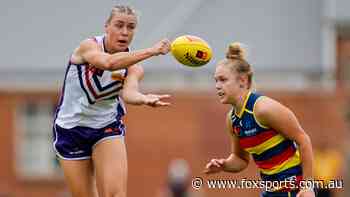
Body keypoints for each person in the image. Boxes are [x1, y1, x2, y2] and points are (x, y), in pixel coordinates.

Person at [52, 5, 171, 197]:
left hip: (106, 126)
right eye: (119, 25)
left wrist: (143, 98)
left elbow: (129, 93)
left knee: (115, 194)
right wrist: (152, 50)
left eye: (131, 27)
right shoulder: (88, 47)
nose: (124, 32)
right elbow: (109, 63)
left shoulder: (134, 67)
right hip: (70, 129)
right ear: (107, 26)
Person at [204, 43, 315, 197]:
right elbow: (240, 159)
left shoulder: (264, 109)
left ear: (242, 81)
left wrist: (308, 186)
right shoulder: (232, 120)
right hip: (270, 192)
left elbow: (303, 140)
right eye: (215, 80)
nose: (217, 86)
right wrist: (224, 165)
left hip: (293, 190)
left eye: (223, 80)